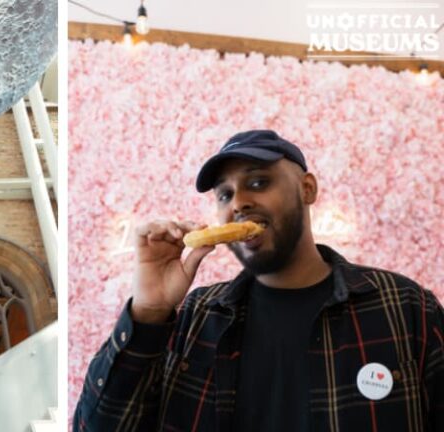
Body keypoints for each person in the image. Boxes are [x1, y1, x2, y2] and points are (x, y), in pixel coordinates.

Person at [74, 130, 444, 431]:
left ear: (307, 189)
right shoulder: (194, 318)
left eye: (258, 181)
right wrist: (149, 312)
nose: (238, 202)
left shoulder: (405, 308)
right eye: (224, 194)